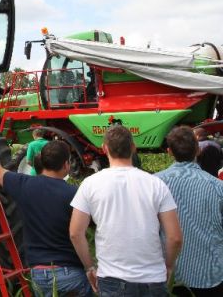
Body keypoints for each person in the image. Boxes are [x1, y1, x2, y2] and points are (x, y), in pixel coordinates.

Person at [69, 125, 182, 296]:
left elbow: (76, 233)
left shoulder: (90, 184)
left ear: (104, 148)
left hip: (112, 279)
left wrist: (89, 267)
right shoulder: (156, 184)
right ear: (133, 148)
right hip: (153, 279)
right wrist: (168, 266)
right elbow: (175, 237)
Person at [0, 139, 93, 297]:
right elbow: (80, 232)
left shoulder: (23, 185)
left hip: (39, 275)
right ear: (66, 165)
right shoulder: (74, 194)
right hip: (70, 274)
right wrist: (90, 267)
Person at [156, 126, 223, 296]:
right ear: (198, 149)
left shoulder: (154, 184)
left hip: (171, 270)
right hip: (209, 272)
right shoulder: (217, 186)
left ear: (169, 152)